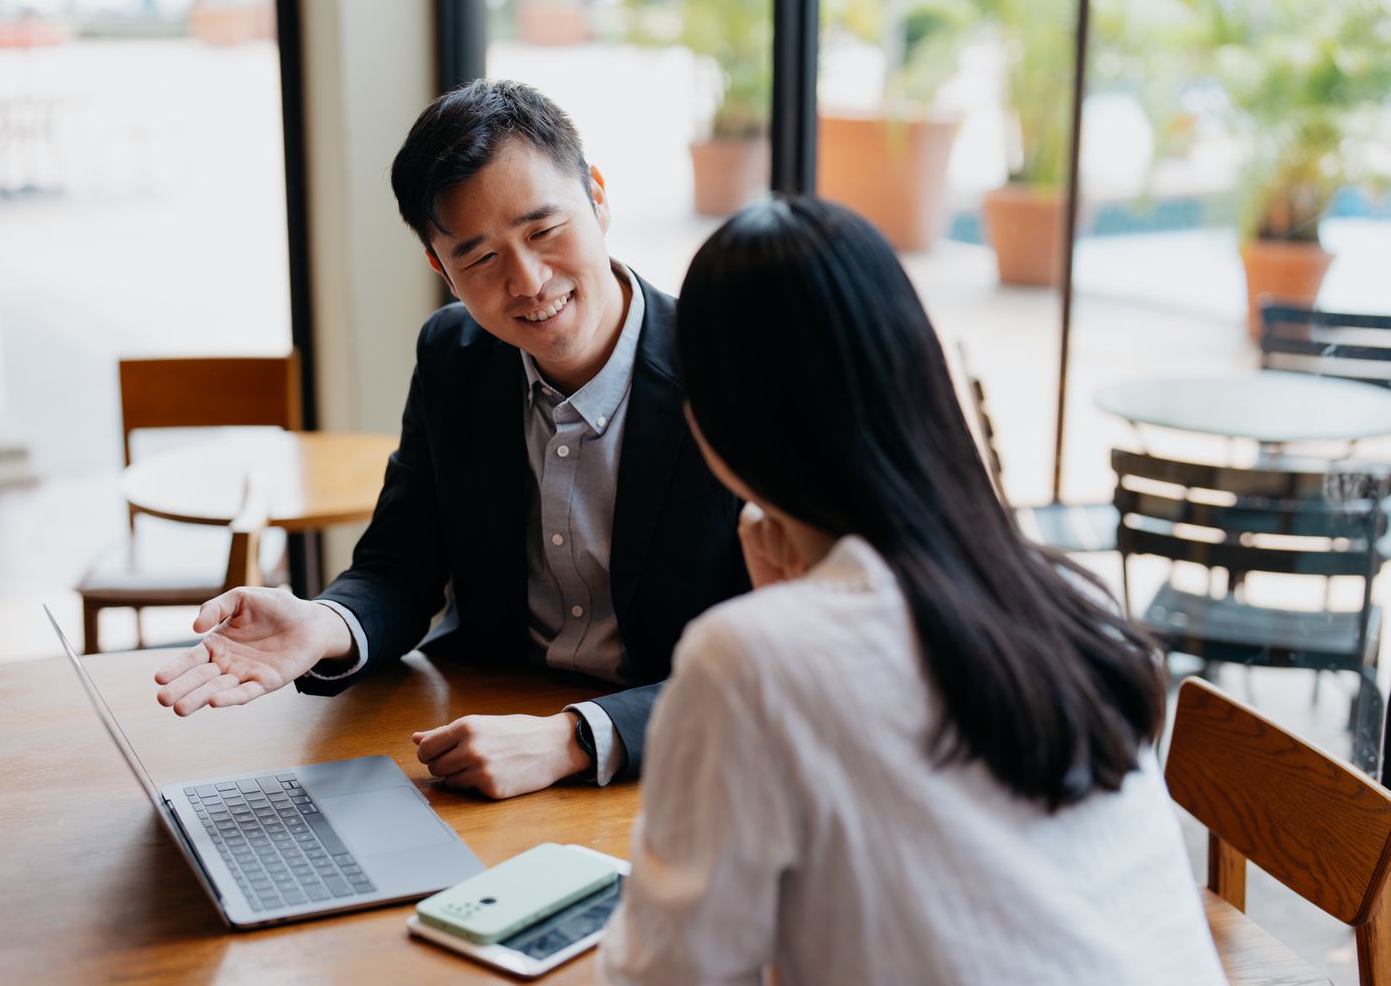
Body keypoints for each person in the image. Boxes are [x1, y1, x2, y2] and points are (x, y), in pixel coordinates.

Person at [598, 197, 1227, 985]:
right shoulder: (1070, 602)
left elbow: (668, 976)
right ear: (918, 374)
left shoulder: (751, 660)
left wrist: (780, 618)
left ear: (715, 433)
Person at [153, 80, 747, 799]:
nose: (528, 281)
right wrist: (323, 623)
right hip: (475, 732)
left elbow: (786, 651)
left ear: (596, 194)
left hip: (677, 763)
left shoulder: (733, 370)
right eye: (480, 258)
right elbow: (401, 564)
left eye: (543, 231)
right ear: (441, 270)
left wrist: (575, 736)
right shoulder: (454, 354)